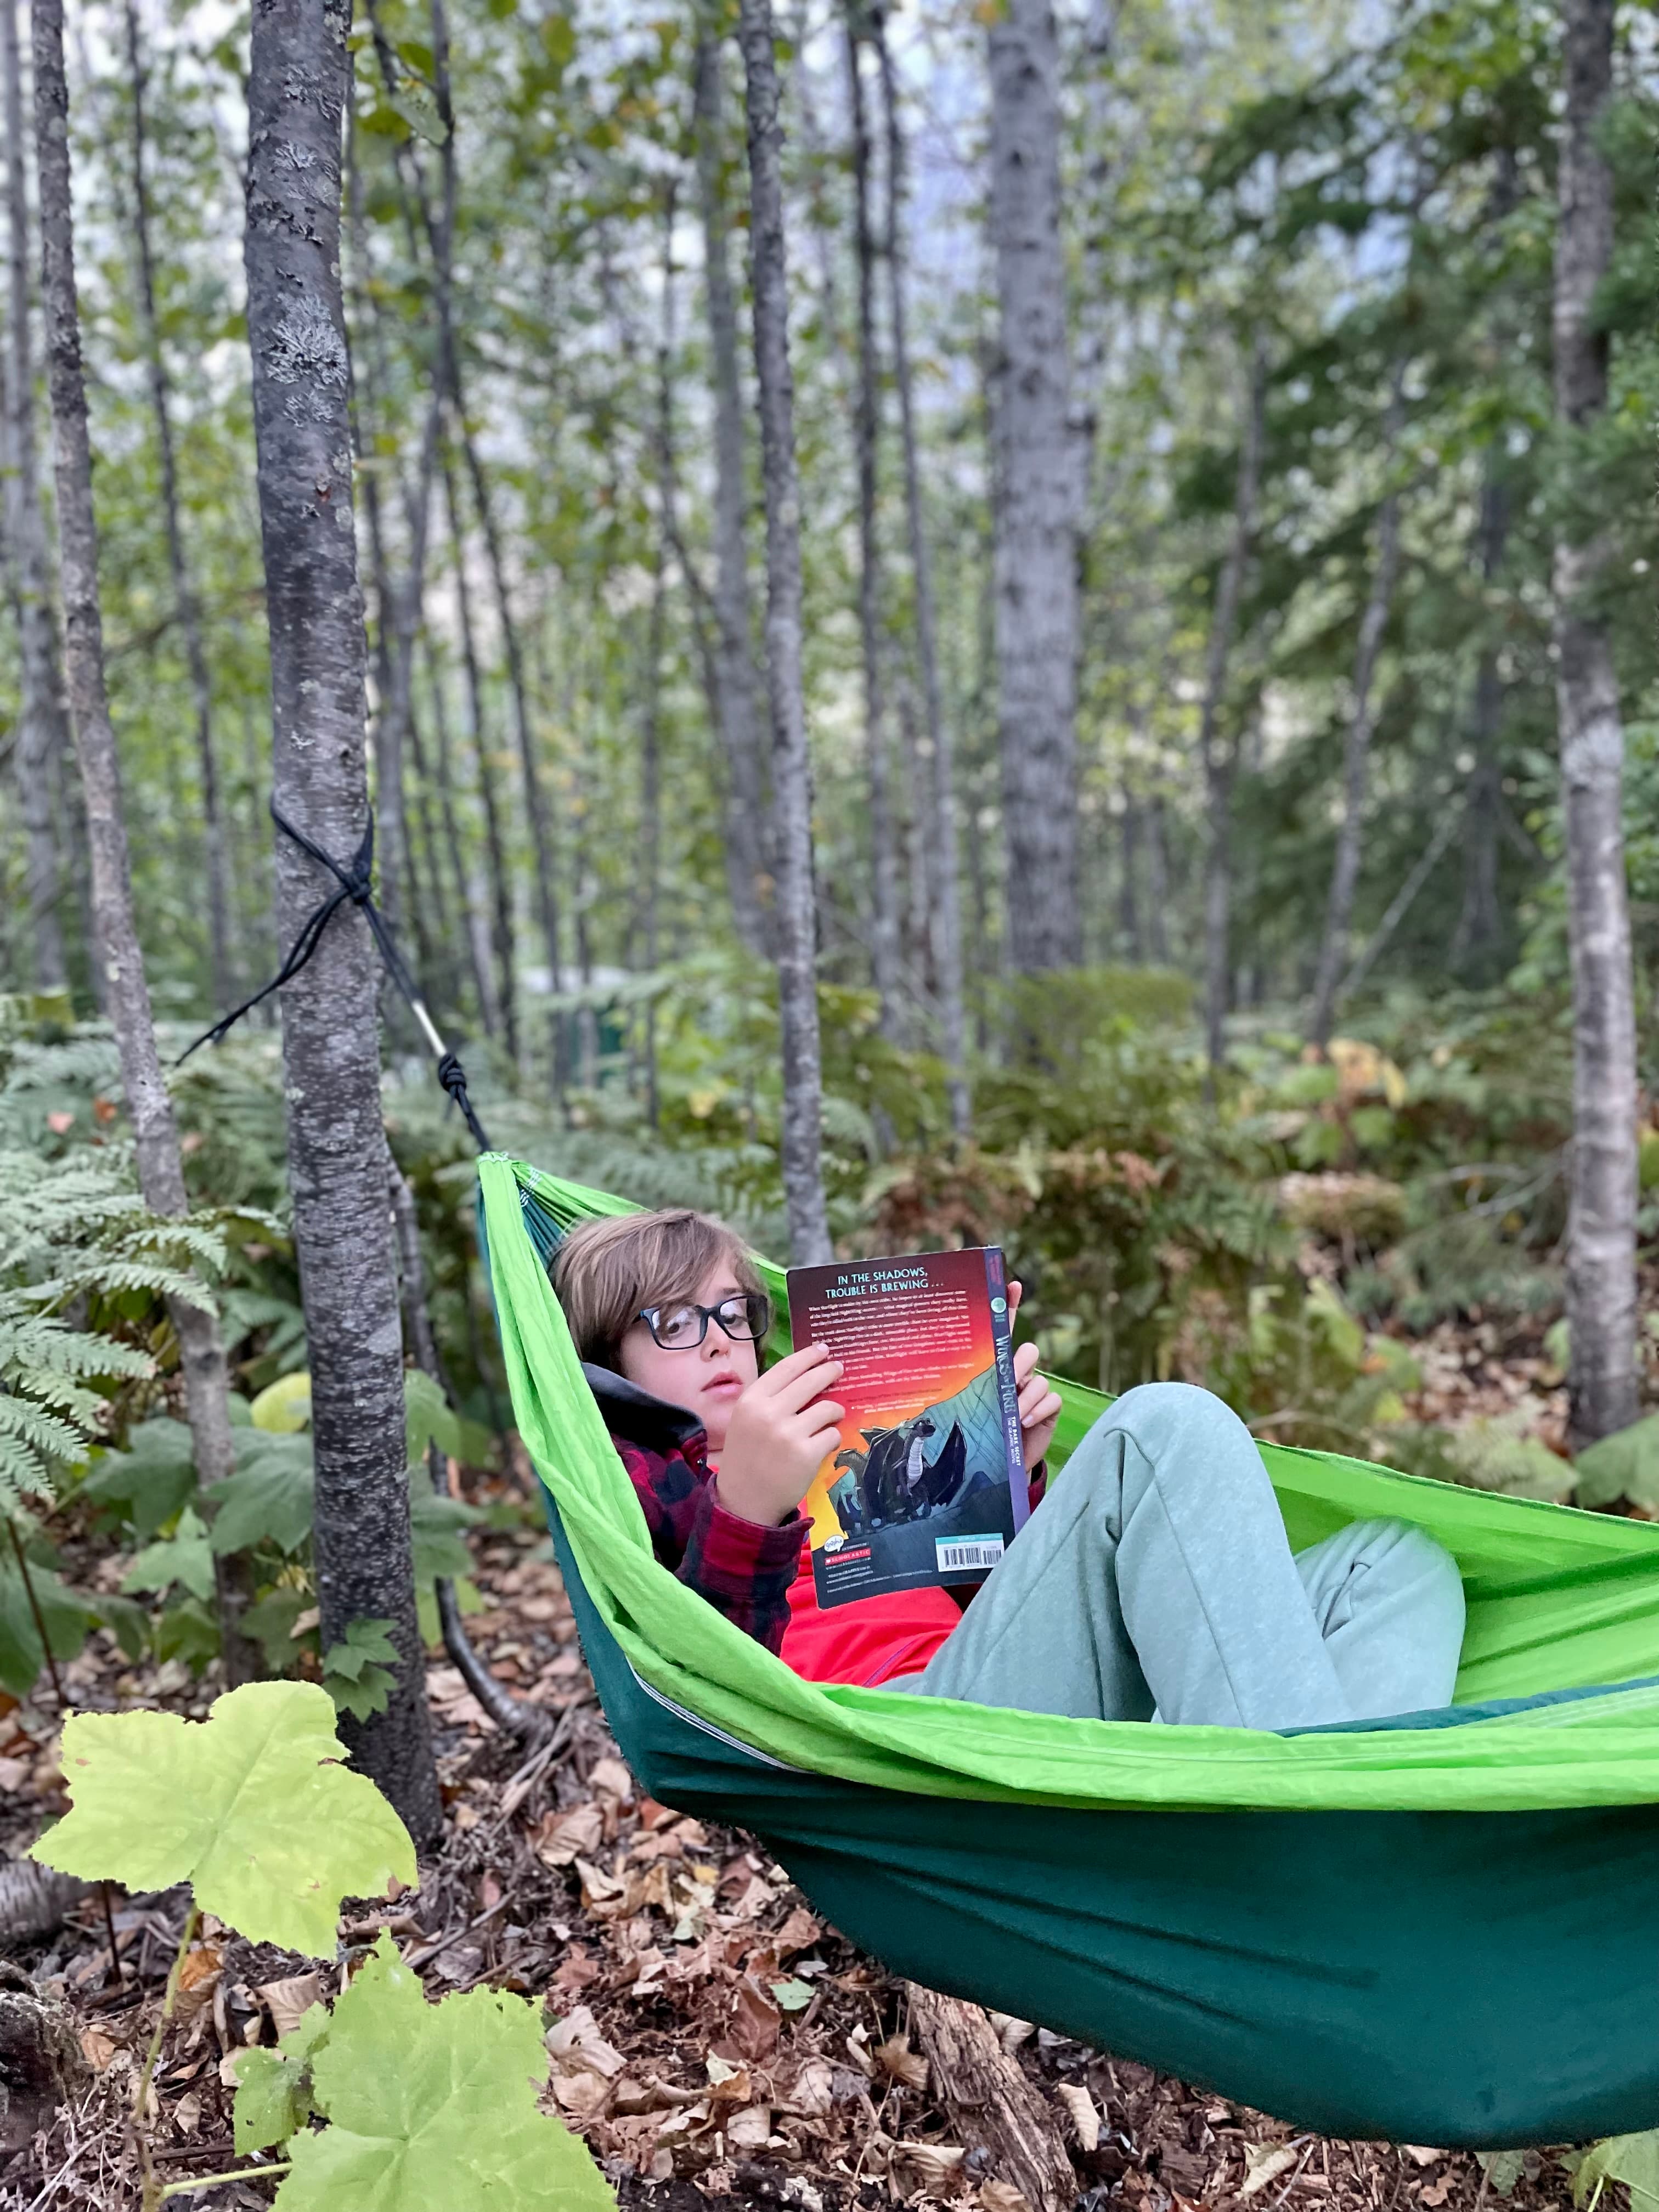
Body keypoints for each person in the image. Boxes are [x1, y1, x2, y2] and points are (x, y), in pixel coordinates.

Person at [552, 1208, 1466, 1730]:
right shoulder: (640, 1475)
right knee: (1161, 1428)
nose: (719, 1340)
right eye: (672, 1322)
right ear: (603, 1360)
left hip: (993, 1685)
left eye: (732, 1312)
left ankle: (1321, 1795)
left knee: (1395, 1560)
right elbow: (693, 1706)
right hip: (896, 1743)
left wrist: (1007, 1484)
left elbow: (971, 1606)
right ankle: (1307, 1822)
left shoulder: (834, 1430)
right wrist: (748, 1507)